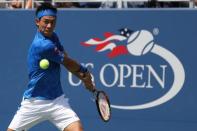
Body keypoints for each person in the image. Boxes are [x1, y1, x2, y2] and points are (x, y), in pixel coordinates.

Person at [7, 3, 95, 131]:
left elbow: (66, 60)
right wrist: (85, 73)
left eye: (52, 22)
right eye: (46, 22)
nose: (49, 26)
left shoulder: (53, 36)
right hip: (34, 102)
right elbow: (67, 62)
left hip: (57, 101)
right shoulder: (42, 45)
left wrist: (84, 78)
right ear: (37, 22)